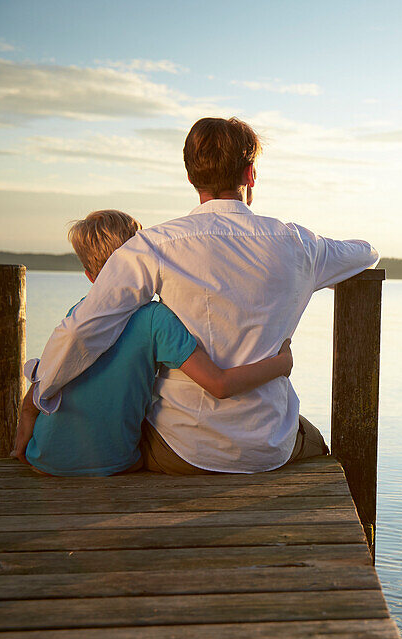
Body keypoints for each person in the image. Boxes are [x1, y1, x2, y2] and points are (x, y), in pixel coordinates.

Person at [20, 117, 379, 474]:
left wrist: (42, 393)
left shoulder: (154, 245)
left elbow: (83, 331)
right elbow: (366, 252)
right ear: (250, 173)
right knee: (318, 446)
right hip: (269, 444)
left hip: (180, 448)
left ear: (191, 177)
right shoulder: (299, 245)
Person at [12, 210, 295, 476]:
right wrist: (281, 364)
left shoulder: (78, 316)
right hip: (116, 463)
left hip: (44, 459)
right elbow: (219, 384)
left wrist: (25, 424)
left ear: (89, 276)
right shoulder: (156, 319)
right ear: (143, 260)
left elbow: (48, 378)